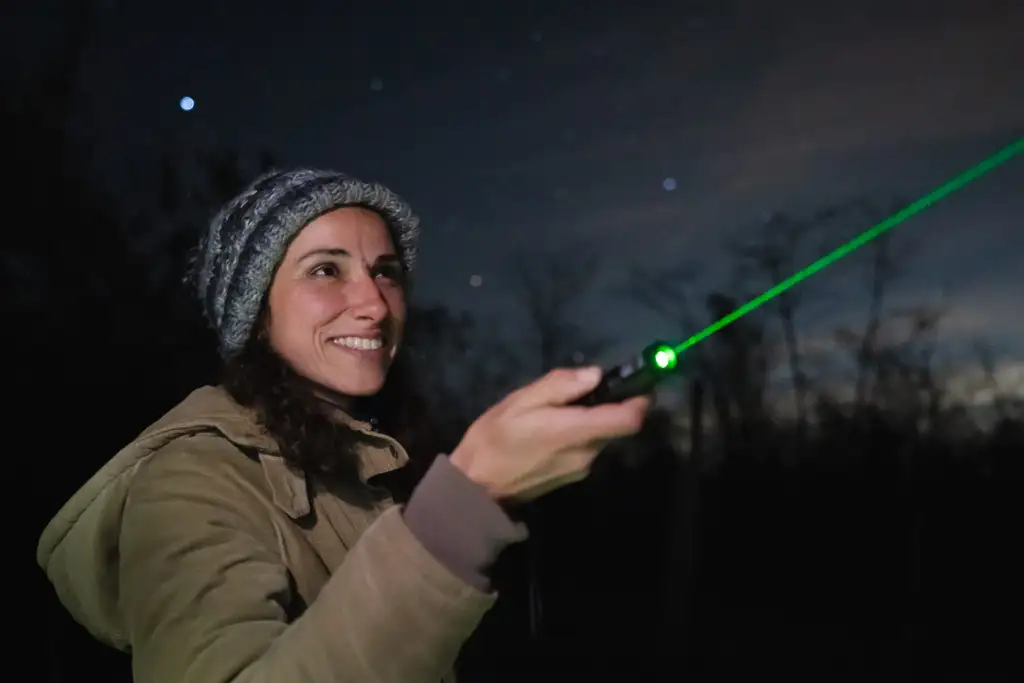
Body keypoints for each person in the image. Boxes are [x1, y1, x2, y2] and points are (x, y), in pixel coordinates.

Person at [36, 168, 650, 683]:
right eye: (326, 270)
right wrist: (465, 506)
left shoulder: (387, 457)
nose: (376, 305)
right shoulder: (190, 479)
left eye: (385, 271)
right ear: (254, 315)